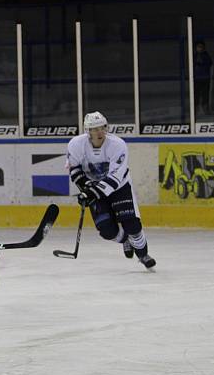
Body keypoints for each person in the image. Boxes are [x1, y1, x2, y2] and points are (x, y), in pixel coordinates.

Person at [66, 112, 155, 269]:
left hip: (119, 187)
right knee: (107, 231)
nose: (100, 132)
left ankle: (143, 254)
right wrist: (86, 187)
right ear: (88, 131)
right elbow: (75, 170)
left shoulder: (117, 144)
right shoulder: (76, 144)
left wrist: (92, 192)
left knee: (132, 224)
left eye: (102, 128)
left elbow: (115, 178)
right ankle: (125, 240)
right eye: (95, 129)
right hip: (96, 189)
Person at [193, 41, 213, 115]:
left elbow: (209, 63)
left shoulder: (206, 55)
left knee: (205, 94)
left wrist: (202, 63)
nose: (200, 48)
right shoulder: (194, 56)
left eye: (201, 47)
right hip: (196, 78)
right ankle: (196, 108)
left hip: (205, 78)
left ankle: (205, 108)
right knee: (196, 94)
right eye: (198, 47)